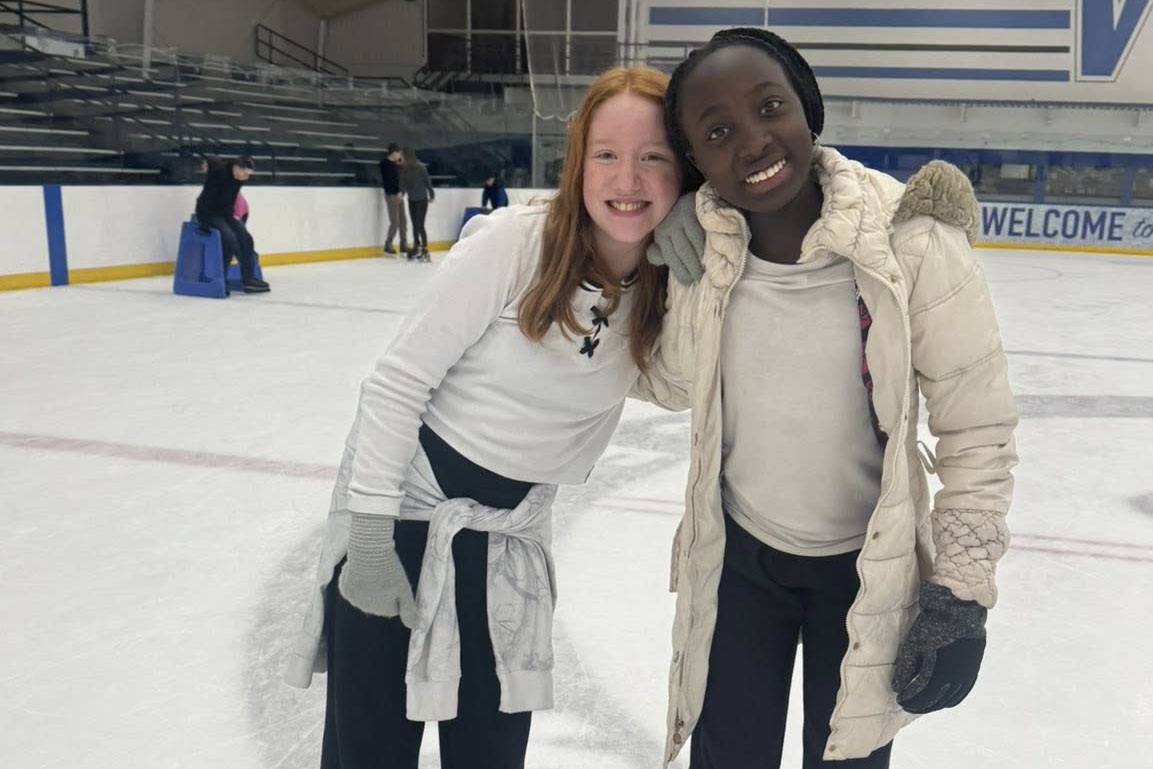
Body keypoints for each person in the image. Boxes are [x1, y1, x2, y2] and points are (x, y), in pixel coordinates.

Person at [635, 27, 1019, 769]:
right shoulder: (706, 253)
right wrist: (650, 263)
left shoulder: (910, 239)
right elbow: (667, 382)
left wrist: (960, 593)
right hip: (740, 561)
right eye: (716, 133)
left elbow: (978, 428)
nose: (751, 140)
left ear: (807, 108)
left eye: (770, 106)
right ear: (696, 164)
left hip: (864, 571)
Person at [285, 66, 684, 769]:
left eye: (654, 156)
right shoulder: (514, 243)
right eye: (607, 154)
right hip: (403, 525)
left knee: (489, 751)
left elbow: (680, 386)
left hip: (508, 546)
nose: (628, 178)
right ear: (576, 159)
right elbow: (394, 384)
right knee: (370, 750)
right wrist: (372, 540)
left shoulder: (666, 287)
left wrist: (702, 267)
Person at [195, 155, 269, 294]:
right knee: (229, 239)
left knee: (246, 238)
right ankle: (221, 279)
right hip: (208, 214)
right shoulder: (219, 172)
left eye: (248, 175)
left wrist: (232, 217)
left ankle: (248, 278)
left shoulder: (238, 179)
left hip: (225, 214)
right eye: (245, 173)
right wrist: (204, 222)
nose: (246, 178)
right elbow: (212, 161)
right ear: (236, 167)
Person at [400, 147, 435, 261]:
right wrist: (402, 193)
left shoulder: (420, 167)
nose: (402, 158)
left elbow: (427, 181)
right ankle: (416, 245)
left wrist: (431, 194)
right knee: (415, 224)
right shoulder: (404, 169)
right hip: (412, 199)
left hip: (422, 199)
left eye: (403, 155)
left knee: (420, 224)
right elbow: (404, 183)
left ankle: (424, 247)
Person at [380, 144, 409, 255]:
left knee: (403, 221)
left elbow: (402, 178)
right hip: (392, 195)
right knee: (395, 222)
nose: (400, 155)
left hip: (399, 195)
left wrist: (401, 192)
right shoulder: (385, 164)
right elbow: (389, 181)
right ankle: (388, 244)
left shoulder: (397, 166)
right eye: (399, 153)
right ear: (394, 153)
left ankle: (403, 244)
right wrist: (397, 191)